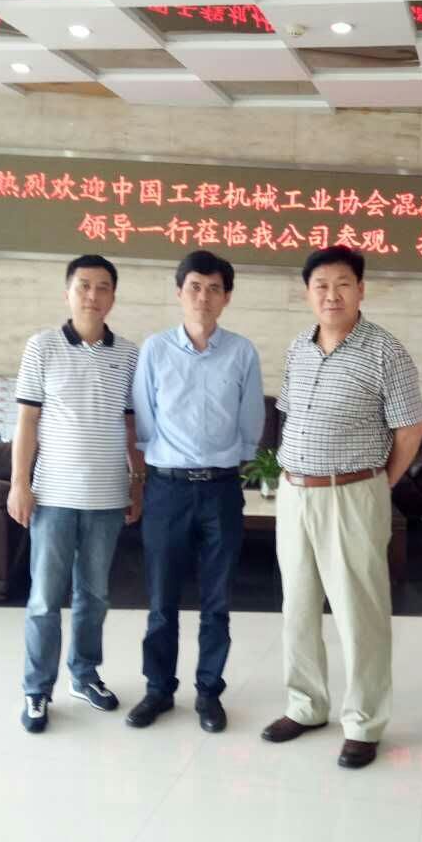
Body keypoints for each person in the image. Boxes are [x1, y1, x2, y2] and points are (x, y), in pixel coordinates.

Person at [260, 245, 422, 770]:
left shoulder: (385, 352)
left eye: (342, 284)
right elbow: (290, 415)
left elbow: (411, 429)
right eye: (321, 286)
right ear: (307, 292)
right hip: (295, 493)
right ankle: (306, 705)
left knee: (360, 614)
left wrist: (377, 484)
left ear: (361, 290)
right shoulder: (298, 347)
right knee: (298, 606)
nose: (331, 295)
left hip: (352, 494)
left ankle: (364, 722)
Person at [126, 250, 265, 733]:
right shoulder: (154, 350)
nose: (203, 297)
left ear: (226, 298)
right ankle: (158, 690)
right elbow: (144, 419)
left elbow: (250, 420)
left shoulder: (242, 352)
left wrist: (228, 461)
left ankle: (209, 692)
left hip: (221, 489)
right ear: (179, 293)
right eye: (194, 287)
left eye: (214, 289)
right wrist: (152, 472)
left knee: (217, 601)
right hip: (167, 490)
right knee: (161, 600)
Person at [9, 254, 144, 734]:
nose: (93, 295)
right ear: (67, 292)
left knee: (95, 595)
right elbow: (27, 421)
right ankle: (36, 689)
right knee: (45, 598)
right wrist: (19, 483)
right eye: (84, 285)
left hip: (106, 496)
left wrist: (136, 483)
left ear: (113, 296)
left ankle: (84, 675)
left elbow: (132, 427)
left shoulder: (129, 354)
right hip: (53, 495)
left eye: (103, 286)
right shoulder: (42, 346)